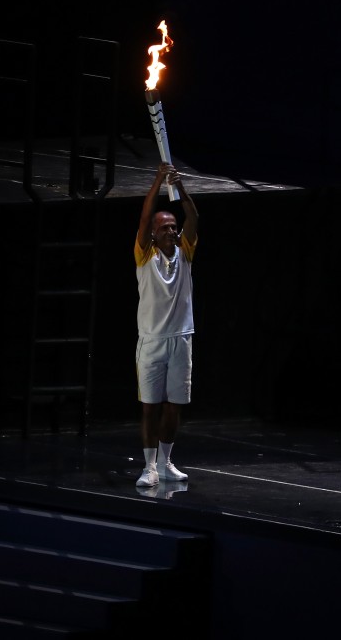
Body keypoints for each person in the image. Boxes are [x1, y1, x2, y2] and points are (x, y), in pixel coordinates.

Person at [134, 162, 199, 488]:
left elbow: (194, 218)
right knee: (150, 406)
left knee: (174, 406)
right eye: (165, 228)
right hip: (152, 341)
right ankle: (149, 467)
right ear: (153, 235)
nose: (171, 231)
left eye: (173, 226)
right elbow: (146, 217)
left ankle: (167, 461)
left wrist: (180, 187)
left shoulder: (185, 253)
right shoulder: (145, 256)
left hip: (181, 340)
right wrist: (159, 180)